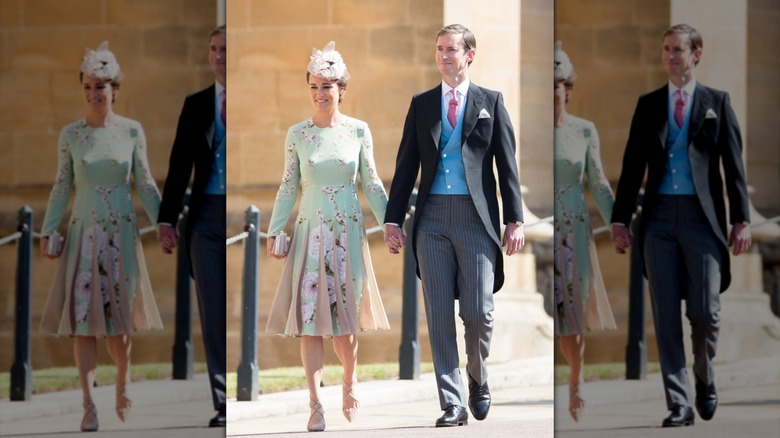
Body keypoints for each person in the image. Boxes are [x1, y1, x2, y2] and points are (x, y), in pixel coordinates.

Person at [383, 24, 525, 427]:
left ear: (469, 55)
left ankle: (477, 377)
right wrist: (393, 219)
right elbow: (406, 165)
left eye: (451, 50)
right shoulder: (422, 104)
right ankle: (452, 402)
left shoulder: (490, 102)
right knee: (440, 313)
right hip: (430, 220)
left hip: (476, 219)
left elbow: (507, 166)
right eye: (439, 49)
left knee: (479, 313)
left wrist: (514, 219)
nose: (444, 56)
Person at [611, 23, 752, 427]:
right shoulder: (648, 104)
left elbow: (734, 167)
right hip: (657, 221)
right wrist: (620, 219)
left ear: (696, 55)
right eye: (666, 49)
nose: (671, 56)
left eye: (678, 50)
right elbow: (632, 166)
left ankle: (704, 377)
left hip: (701, 220)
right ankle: (679, 403)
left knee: (706, 312)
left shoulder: (717, 102)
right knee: (666, 314)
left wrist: (741, 220)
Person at [265, 41, 390, 433]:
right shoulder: (297, 135)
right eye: (314, 86)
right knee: (310, 322)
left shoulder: (359, 131)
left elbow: (372, 182)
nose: (320, 93)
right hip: (310, 237)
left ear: (341, 89)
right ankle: (315, 404)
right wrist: (274, 230)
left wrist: (392, 224)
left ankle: (349, 381)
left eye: (327, 86)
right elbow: (288, 186)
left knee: (344, 327)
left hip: (347, 236)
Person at [39, 41, 163, 432]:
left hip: (120, 236)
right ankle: (88, 404)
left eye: (101, 86)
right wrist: (48, 230)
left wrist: (165, 223)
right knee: (83, 322)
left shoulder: (132, 131)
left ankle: (122, 382)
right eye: (88, 87)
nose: (94, 94)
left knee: (117, 325)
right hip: (83, 236)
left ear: (115, 89)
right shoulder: (71, 135)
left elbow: (145, 182)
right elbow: (62, 186)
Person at [157, 25, 227, 427]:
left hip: (242, 217)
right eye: (214, 49)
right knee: (211, 310)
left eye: (225, 49)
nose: (219, 56)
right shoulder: (196, 103)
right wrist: (167, 219)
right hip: (204, 217)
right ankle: (223, 402)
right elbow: (179, 164)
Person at [552, 42, 617, 422]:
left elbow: (600, 183)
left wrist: (620, 223)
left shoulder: (585, 130)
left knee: (573, 315)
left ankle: (575, 383)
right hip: (544, 227)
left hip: (575, 231)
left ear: (568, 88)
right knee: (556, 313)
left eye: (557, 85)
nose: (552, 92)